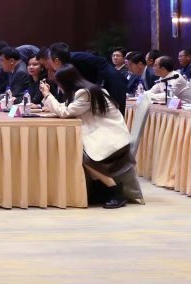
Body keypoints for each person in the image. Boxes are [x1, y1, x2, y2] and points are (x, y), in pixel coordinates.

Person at [39, 65, 133, 209]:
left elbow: (65, 112)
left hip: (111, 137)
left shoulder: (86, 93)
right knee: (76, 150)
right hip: (103, 133)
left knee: (79, 155)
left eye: (59, 83)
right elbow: (68, 109)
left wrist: (47, 95)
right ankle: (99, 191)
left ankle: (115, 191)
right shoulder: (87, 90)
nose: (59, 87)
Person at [41, 43, 127, 113]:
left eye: (49, 62)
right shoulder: (66, 68)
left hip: (112, 80)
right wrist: (58, 106)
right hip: (98, 84)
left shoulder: (77, 57)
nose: (48, 67)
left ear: (56, 60)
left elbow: (102, 62)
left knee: (117, 109)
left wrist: (99, 84)